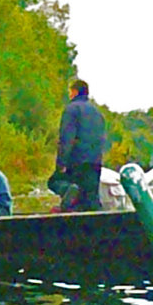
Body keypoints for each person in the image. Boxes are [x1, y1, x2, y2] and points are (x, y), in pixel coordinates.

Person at [56, 78, 106, 212]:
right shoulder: (98, 113)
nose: (69, 95)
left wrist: (61, 164)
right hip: (95, 162)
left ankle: (69, 193)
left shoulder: (71, 109)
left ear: (75, 91)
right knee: (91, 200)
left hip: (77, 161)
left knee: (58, 184)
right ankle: (99, 228)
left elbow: (66, 138)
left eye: (70, 91)